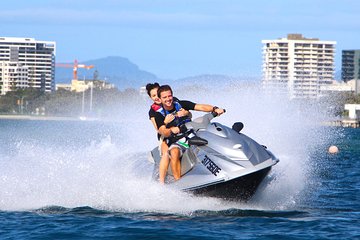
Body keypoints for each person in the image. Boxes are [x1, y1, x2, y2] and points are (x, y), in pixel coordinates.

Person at [154, 85, 225, 181]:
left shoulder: (181, 104)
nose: (168, 99)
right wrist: (170, 130)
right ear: (160, 99)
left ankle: (226, 165)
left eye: (169, 96)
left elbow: (200, 106)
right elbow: (162, 131)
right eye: (164, 97)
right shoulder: (159, 114)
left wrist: (215, 108)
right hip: (176, 140)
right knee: (174, 152)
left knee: (211, 138)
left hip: (192, 134)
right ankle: (178, 181)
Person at [145, 83, 191, 184]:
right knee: (166, 153)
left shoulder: (173, 102)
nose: (156, 97)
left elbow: (188, 115)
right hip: (164, 136)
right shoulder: (153, 112)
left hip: (180, 133)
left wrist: (186, 113)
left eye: (157, 94)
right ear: (150, 97)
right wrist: (165, 122)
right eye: (153, 96)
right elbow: (158, 129)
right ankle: (161, 182)